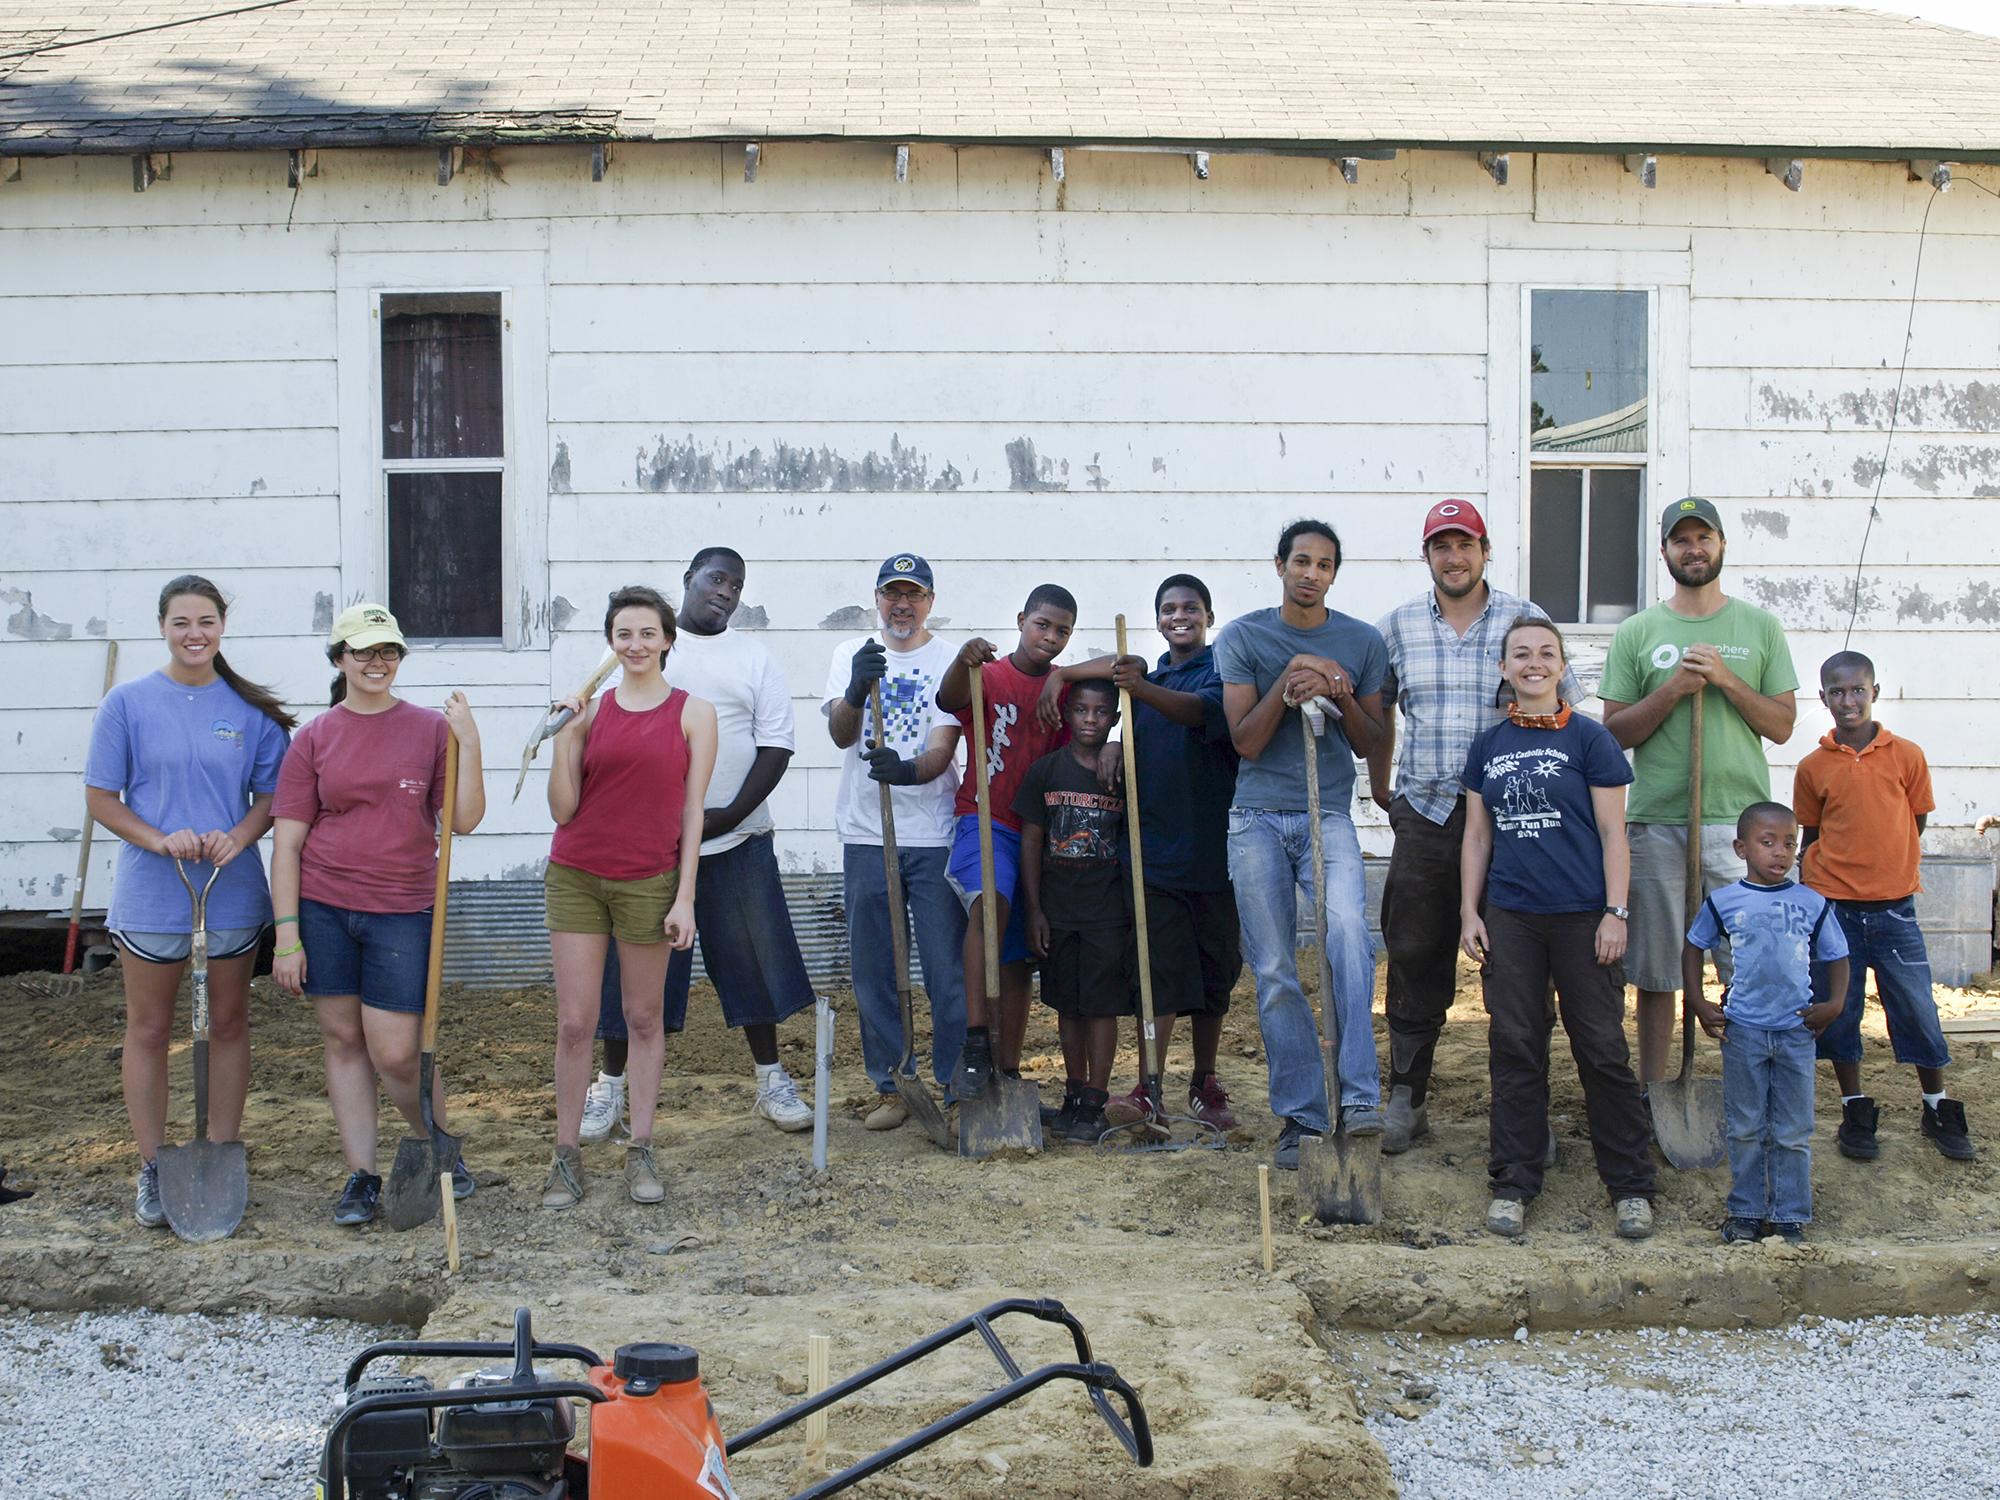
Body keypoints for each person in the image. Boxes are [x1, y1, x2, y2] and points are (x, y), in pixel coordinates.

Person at [1367, 500, 1579, 1153]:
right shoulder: (1397, 627)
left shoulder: (1523, 623)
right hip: (1427, 813)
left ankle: (1526, 1108)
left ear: (1486, 551)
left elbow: (1563, 705)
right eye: (1441, 546)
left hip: (1515, 820)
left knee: (1518, 962)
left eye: (1466, 545)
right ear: (1427, 555)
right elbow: (1378, 705)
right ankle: (1408, 1092)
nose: (1454, 557)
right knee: (1413, 950)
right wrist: (1384, 788)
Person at [83, 575, 294, 1228]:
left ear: (222, 626)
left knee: (228, 1023)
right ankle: (153, 1165)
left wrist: (236, 838)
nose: (194, 633)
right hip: (154, 894)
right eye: (181, 622)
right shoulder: (128, 703)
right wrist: (159, 839)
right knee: (149, 1028)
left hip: (228, 895)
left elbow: (271, 801)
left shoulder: (250, 710)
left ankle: (222, 1153)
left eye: (205, 621)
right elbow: (101, 800)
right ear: (163, 626)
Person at [269, 604, 487, 1225]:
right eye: (363, 651)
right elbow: (286, 843)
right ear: (339, 659)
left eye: (387, 651)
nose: (376, 663)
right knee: (342, 1041)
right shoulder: (314, 737)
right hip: (323, 908)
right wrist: (287, 936)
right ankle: (362, 1176)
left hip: (402, 908)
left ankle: (440, 1148)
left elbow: (465, 819)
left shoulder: (429, 729)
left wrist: (469, 742)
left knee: (395, 1051)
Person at [1459, 618, 1654, 1240]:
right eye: (1522, 654)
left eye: (1547, 653)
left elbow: (1612, 835)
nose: (1534, 663)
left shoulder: (1591, 740)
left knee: (1600, 1047)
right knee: (1515, 1045)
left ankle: (1629, 1186)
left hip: (1583, 917)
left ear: (1562, 665)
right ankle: (1514, 1183)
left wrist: (1615, 912)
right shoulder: (1487, 746)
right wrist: (1471, 911)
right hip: (1512, 917)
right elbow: (1478, 836)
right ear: (1505, 669)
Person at [616, 548, 820, 1133]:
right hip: (648, 848)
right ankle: (608, 1088)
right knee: (629, 974)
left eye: (736, 583)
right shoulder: (650, 649)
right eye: (715, 578)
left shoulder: (754, 659)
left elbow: (777, 745)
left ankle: (771, 1078)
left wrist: (727, 816)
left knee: (752, 963)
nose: (726, 590)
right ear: (688, 580)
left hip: (737, 841)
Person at [1600, 497, 1798, 1084]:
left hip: (1742, 829)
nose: (1693, 548)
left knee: (1751, 968)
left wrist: (1724, 679)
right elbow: (1614, 733)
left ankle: (1754, 1082)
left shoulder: (1758, 625)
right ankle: (1657, 1092)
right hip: (1659, 821)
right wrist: (1675, 689)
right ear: (1663, 551)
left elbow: (1782, 726)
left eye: (1703, 537)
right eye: (1680, 540)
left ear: (1721, 545)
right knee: (1659, 973)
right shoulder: (1639, 632)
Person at [1215, 519, 1389, 1171]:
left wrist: (1339, 692)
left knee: (1349, 937)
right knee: (1275, 969)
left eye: (1324, 564)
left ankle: (1359, 1100)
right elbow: (1246, 742)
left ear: (1334, 575)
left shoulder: (1361, 642)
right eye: (1301, 561)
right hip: (1256, 818)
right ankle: (1301, 1117)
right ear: (1280, 565)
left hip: (1329, 816)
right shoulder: (1244, 638)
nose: (1311, 573)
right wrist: (1288, 678)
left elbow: (1370, 743)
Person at [1039, 575, 1243, 1129]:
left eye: (1192, 608)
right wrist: (1067, 678)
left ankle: (1205, 1079)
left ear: (1208, 615)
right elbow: (1126, 688)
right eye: (1170, 609)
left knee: (1215, 974)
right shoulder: (1140, 682)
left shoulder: (1222, 672)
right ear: (1158, 620)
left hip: (1215, 851)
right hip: (1152, 855)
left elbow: (1199, 714)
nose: (1181, 616)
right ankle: (1150, 1084)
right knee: (1160, 975)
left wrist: (1139, 687)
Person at [542, 586, 717, 1208]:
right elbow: (564, 811)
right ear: (611, 643)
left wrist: (686, 896)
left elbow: (693, 811)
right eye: (624, 635)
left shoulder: (694, 713)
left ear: (668, 640)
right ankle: (565, 1157)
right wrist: (566, 735)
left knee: (643, 1019)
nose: (636, 645)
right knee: (574, 1022)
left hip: (649, 881)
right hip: (577, 876)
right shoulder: (589, 712)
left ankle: (640, 1148)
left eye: (648, 634)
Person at [1794, 651, 1972, 1161]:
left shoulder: (1907, 755)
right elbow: (1811, 834)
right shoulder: (1813, 766)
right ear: (1823, 697)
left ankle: (1937, 1105)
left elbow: (1915, 822)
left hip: (1895, 909)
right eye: (1836, 692)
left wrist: (1886, 869)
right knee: (1840, 1010)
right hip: (1834, 910)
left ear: (1875, 693)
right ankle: (1855, 1108)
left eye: (1857, 690)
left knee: (1916, 1007)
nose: (1847, 701)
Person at [821, 554, 967, 1131]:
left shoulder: (947, 658)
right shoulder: (850, 655)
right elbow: (839, 735)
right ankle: (893, 1084)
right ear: (876, 599)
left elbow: (942, 746)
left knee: (944, 969)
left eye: (913, 594)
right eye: (891, 593)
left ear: (930, 601)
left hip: (931, 836)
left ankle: (956, 1085)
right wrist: (856, 690)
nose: (901, 604)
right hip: (865, 833)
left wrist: (905, 772)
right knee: (875, 967)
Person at [935, 584, 1077, 1102]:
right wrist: (961, 657)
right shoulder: (988, 675)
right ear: (1021, 620)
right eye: (1043, 625)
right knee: (989, 909)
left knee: (1017, 957)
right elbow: (948, 699)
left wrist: (1064, 674)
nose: (1051, 637)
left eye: (1063, 631)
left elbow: (1123, 666)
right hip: (984, 818)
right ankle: (975, 1045)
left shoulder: (1062, 691)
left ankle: (1007, 1068)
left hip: (1036, 831)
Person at [1685, 803, 1850, 1244]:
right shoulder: (1723, 901)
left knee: (1794, 1129)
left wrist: (1834, 1004)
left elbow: (1837, 955)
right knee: (1745, 1126)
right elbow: (1693, 946)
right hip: (1743, 1031)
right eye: (1768, 842)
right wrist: (1699, 1001)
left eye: (1790, 844)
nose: (1781, 852)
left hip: (1797, 1030)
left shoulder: (1812, 902)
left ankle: (1789, 1214)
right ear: (1742, 848)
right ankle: (1746, 1211)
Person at [1014, 679, 1133, 1142]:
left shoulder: (1125, 773)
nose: (1090, 719)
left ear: (1114, 719)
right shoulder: (1046, 772)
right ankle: (1073, 1090)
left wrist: (1123, 748)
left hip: (1108, 911)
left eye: (1101, 712)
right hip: (1058, 911)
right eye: (1081, 710)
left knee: (1102, 1005)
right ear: (1066, 715)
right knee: (1068, 1004)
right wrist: (1035, 909)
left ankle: (1096, 1101)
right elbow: (1031, 839)